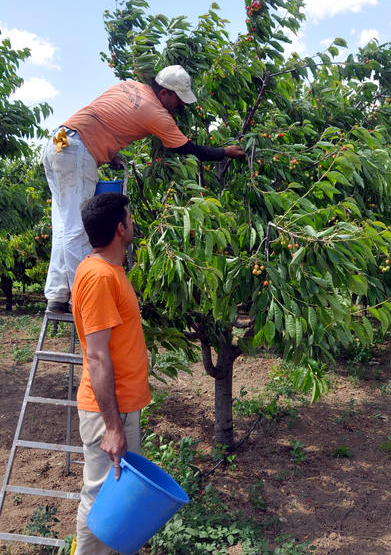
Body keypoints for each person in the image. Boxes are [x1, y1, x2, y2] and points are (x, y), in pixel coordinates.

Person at [43, 64, 245, 313]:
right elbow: (186, 149)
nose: (179, 107)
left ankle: (57, 295)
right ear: (164, 94)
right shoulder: (155, 113)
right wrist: (225, 152)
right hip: (76, 152)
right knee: (77, 229)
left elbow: (106, 117)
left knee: (64, 226)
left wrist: (111, 151)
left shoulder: (128, 85)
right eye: (178, 101)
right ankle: (83, 301)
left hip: (58, 142)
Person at [71, 192, 150, 555]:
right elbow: (99, 357)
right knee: (101, 495)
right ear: (121, 229)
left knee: (115, 497)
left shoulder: (109, 270)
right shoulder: (101, 277)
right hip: (109, 411)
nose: (132, 223)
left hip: (119, 405)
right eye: (129, 219)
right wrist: (114, 426)